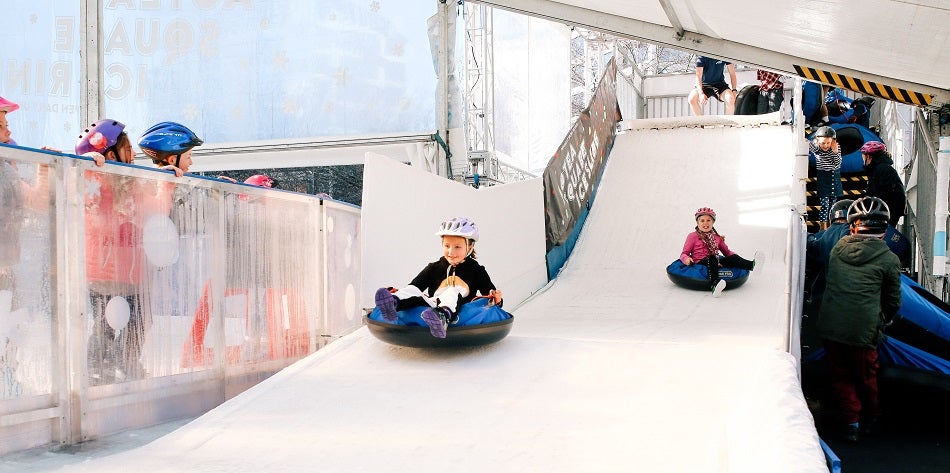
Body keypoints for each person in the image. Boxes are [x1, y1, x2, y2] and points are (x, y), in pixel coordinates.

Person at [78, 119, 168, 383]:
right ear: (110, 153)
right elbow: (85, 198)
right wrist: (90, 167)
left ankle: (126, 362)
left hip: (132, 273)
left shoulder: (134, 183)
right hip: (103, 271)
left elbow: (158, 209)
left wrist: (168, 181)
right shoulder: (95, 180)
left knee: (140, 322)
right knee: (105, 325)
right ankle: (97, 371)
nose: (133, 155)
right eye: (127, 149)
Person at [816, 197, 901, 442]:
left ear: (852, 227)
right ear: (884, 232)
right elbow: (893, 301)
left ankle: (850, 422)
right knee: (866, 377)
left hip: (831, 325)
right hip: (863, 330)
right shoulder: (889, 260)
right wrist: (884, 320)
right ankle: (870, 418)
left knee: (841, 375)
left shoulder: (838, 248)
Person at [374, 217, 503, 338]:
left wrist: (497, 298)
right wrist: (398, 292)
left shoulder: (476, 270)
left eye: (457, 247)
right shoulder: (434, 268)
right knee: (412, 289)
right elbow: (415, 286)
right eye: (447, 246)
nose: (451, 252)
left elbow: (490, 294)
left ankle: (442, 318)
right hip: (432, 306)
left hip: (459, 308)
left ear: (469, 247)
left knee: (452, 291)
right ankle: (392, 303)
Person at [679, 207, 762, 297]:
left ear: (713, 222)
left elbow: (727, 252)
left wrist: (735, 258)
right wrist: (686, 259)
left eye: (708, 220)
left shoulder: (717, 238)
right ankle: (715, 285)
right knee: (712, 258)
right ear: (697, 222)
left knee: (731, 258)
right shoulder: (692, 236)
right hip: (700, 261)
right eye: (702, 221)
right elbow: (684, 253)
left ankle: (752, 265)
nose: (705, 223)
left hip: (716, 260)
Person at [860, 141, 906, 227]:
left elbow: (885, 193)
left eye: (863, 155)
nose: (862, 158)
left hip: (886, 213)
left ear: (869, 156)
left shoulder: (883, 169)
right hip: (883, 212)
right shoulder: (878, 169)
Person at [809, 126, 843, 230]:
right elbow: (809, 144)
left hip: (834, 176)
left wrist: (835, 152)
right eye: (823, 142)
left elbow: (837, 164)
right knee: (825, 205)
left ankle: (831, 227)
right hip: (823, 177)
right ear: (818, 140)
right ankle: (823, 228)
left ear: (833, 141)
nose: (826, 145)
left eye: (828, 142)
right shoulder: (817, 148)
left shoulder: (835, 148)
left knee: (833, 206)